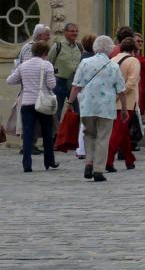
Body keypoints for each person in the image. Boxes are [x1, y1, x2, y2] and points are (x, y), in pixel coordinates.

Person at [69, 35, 126, 182]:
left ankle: (89, 162)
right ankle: (99, 170)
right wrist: (124, 109)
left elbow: (76, 86)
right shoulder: (113, 65)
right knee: (103, 138)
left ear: (95, 47)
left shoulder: (85, 63)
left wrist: (70, 102)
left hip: (87, 106)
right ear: (111, 49)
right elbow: (121, 90)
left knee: (89, 135)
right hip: (106, 107)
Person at [6, 41, 58, 172]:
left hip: (27, 103)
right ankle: (49, 161)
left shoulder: (23, 65)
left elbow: (10, 80)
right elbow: (52, 85)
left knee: (28, 134)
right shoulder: (47, 65)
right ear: (45, 53)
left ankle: (27, 164)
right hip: (43, 103)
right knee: (47, 133)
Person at [106, 37, 141, 171]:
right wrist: (118, 96)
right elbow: (131, 83)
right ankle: (108, 160)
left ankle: (129, 159)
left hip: (111, 102)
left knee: (123, 133)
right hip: (126, 103)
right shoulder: (133, 61)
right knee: (117, 133)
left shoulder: (112, 60)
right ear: (134, 50)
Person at [49, 23, 82, 123]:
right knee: (56, 111)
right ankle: (55, 135)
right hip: (59, 82)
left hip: (75, 84)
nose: (75, 33)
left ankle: (76, 135)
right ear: (65, 33)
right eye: (72, 31)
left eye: (76, 31)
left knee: (78, 110)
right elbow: (49, 63)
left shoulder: (80, 47)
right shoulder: (57, 46)